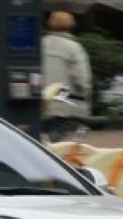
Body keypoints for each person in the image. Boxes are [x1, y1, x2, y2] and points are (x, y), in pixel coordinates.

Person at [40, 11, 93, 141]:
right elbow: (81, 78)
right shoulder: (74, 48)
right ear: (71, 25)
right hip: (64, 100)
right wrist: (86, 94)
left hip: (41, 99)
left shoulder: (40, 43)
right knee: (58, 133)